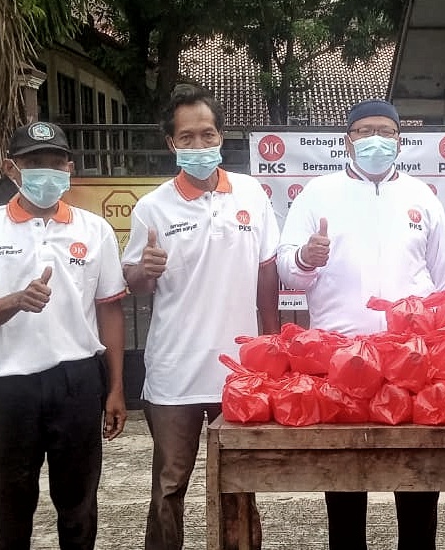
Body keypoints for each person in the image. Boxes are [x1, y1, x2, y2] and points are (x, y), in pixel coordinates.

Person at [277, 99, 445, 550]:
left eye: (385, 131)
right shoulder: (317, 194)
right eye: (364, 131)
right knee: (345, 473)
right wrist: (306, 257)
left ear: (399, 141)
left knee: (417, 474)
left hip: (411, 358)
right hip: (340, 355)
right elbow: (288, 269)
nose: (375, 140)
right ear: (347, 141)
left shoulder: (422, 197)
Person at [0, 121, 127, 550]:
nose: (44, 172)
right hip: (11, 384)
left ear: (69, 168)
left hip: (77, 380)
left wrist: (116, 388)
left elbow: (110, 309)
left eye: (53, 163)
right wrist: (17, 300)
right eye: (33, 164)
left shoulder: (94, 229)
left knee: (79, 502)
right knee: (11, 501)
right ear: (11, 168)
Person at [122, 84, 279, 550]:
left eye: (207, 134)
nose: (199, 145)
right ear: (171, 143)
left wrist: (272, 348)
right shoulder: (152, 207)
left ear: (221, 136)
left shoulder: (251, 193)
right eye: (186, 137)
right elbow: (134, 279)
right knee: (170, 485)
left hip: (239, 372)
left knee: (240, 486)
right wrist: (145, 271)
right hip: (175, 373)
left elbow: (267, 273)